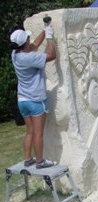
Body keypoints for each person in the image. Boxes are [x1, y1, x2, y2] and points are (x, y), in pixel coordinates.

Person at [10, 20, 56, 169]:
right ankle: (40, 161)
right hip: (35, 100)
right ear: (25, 42)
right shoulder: (30, 58)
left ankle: (28, 158)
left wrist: (45, 29)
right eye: (28, 38)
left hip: (22, 100)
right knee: (38, 133)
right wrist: (50, 36)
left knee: (29, 131)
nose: (30, 40)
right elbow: (51, 55)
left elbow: (34, 45)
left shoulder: (15, 54)